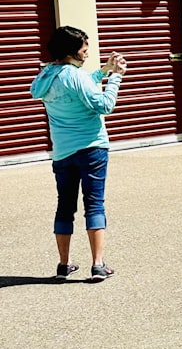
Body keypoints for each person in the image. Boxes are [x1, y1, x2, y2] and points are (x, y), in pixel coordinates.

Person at [30, 25, 127, 282]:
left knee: (65, 206)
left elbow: (77, 87)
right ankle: (97, 265)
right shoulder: (77, 76)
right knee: (94, 203)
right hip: (92, 148)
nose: (87, 52)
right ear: (73, 51)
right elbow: (105, 105)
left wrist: (103, 71)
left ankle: (64, 265)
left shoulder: (46, 76)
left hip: (62, 153)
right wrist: (116, 76)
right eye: (84, 48)